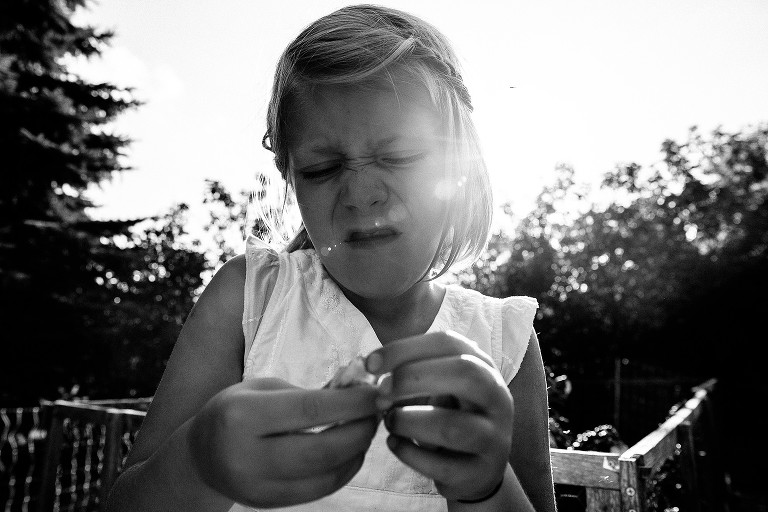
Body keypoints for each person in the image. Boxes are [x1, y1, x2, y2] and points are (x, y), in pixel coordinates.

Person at [105, 5, 556, 511]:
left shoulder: (503, 343)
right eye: (322, 168)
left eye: (399, 157)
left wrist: (485, 487)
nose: (361, 194)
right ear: (290, 178)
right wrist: (198, 461)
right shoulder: (250, 301)